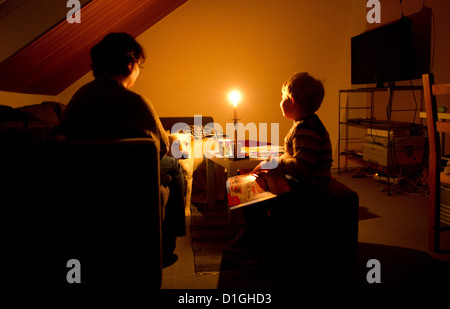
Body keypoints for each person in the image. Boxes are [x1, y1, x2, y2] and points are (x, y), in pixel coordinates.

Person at [59, 32, 185, 267]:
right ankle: (166, 247)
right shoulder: (135, 102)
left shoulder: (80, 96)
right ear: (130, 64)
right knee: (175, 165)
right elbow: (161, 148)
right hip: (128, 176)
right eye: (139, 65)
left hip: (84, 177)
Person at [232, 72, 333, 251]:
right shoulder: (304, 124)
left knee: (250, 188)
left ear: (291, 101)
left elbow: (301, 167)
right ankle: (257, 231)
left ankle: (258, 237)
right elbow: (292, 157)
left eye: (282, 97)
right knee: (250, 180)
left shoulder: (306, 129)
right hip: (303, 181)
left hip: (309, 185)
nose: (280, 101)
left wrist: (272, 164)